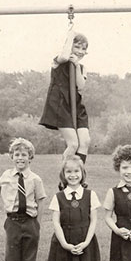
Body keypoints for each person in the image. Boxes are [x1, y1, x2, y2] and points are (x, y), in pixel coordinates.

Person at [47, 155, 101, 261]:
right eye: (68, 171)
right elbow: (55, 222)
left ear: (82, 173)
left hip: (84, 241)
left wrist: (86, 242)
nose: (73, 175)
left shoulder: (90, 195)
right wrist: (64, 244)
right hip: (65, 242)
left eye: (76, 171)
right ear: (63, 174)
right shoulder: (58, 197)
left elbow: (93, 221)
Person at [39, 30, 91, 163]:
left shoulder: (82, 67)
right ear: (69, 46)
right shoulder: (58, 61)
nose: (80, 51)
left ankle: (80, 175)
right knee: (73, 144)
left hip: (76, 105)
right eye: (77, 46)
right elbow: (63, 57)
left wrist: (76, 65)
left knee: (84, 141)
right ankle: (65, 178)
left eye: (83, 49)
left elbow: (80, 86)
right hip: (60, 104)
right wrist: (70, 36)